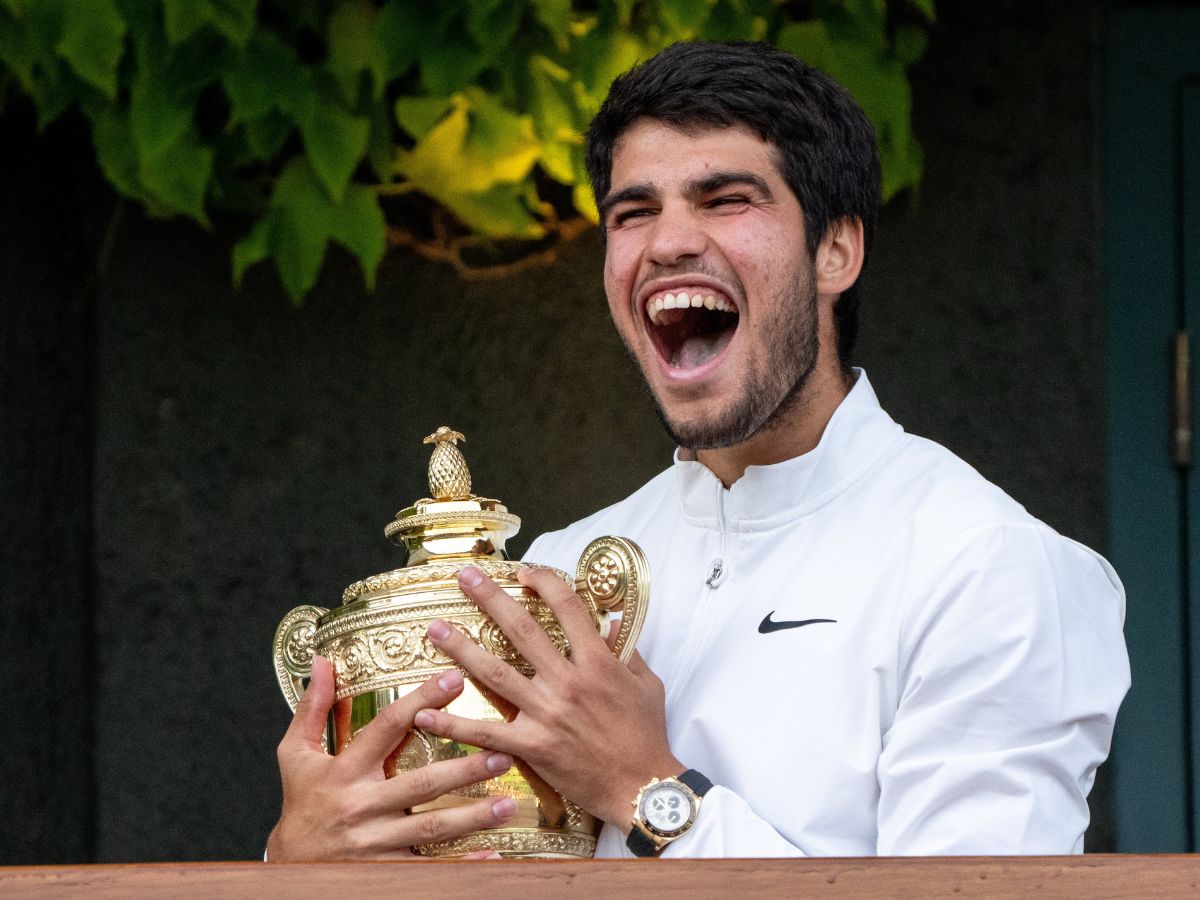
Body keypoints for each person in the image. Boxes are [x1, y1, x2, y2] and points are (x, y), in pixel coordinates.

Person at [267, 40, 1129, 860]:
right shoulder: (555, 569)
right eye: (634, 212)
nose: (668, 240)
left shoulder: (991, 569)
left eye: (726, 200)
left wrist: (649, 793)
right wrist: (305, 860)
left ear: (837, 249)